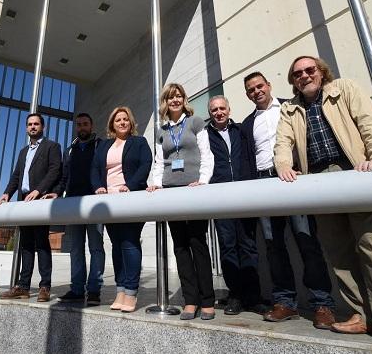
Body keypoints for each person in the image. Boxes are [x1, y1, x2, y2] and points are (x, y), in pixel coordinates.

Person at [274, 56, 372, 349]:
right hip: (319, 183)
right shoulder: (290, 108)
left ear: (321, 72)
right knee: (338, 253)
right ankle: (360, 314)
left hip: (354, 173)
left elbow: (370, 122)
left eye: (310, 70)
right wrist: (284, 165)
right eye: (297, 73)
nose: (304, 76)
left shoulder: (344, 89)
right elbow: (283, 142)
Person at [241, 72, 335, 329]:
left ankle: (322, 304)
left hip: (293, 181)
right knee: (273, 247)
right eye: (251, 90)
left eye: (260, 86)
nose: (256, 91)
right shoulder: (248, 124)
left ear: (269, 85)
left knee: (307, 242)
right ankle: (285, 302)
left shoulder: (291, 107)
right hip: (263, 184)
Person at [148, 83, 215, 320]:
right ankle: (190, 300)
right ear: (165, 102)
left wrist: (203, 181)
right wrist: (156, 183)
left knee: (198, 243)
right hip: (170, 192)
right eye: (170, 97)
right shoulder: (161, 130)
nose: (175, 100)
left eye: (178, 96)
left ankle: (207, 300)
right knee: (180, 246)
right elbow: (159, 161)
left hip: (193, 189)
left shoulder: (196, 123)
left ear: (184, 100)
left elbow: (206, 154)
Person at [206, 95, 266, 315]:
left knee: (248, 246)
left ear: (229, 110)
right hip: (220, 199)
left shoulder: (241, 131)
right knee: (228, 247)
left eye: (222, 108)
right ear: (210, 113)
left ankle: (253, 296)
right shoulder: (205, 136)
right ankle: (236, 296)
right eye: (214, 110)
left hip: (244, 196)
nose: (219, 112)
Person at [91, 106, 151, 313]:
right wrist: (98, 186)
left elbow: (145, 165)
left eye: (126, 119)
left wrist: (131, 185)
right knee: (116, 245)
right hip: (109, 201)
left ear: (130, 122)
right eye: (118, 120)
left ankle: (131, 291)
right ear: (112, 124)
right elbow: (95, 168)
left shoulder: (139, 142)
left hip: (130, 198)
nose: (122, 122)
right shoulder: (104, 145)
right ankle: (120, 290)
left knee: (129, 243)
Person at [0, 113, 62, 303]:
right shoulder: (23, 151)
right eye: (30, 124)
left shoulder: (52, 147)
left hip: (40, 200)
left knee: (41, 242)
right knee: (25, 244)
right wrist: (7, 193)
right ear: (26, 128)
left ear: (43, 127)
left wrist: (39, 190)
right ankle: (23, 286)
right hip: (23, 200)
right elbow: (17, 175)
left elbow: (54, 170)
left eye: (36, 124)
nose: (33, 127)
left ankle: (44, 287)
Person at [43, 113, 105, 306]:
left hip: (94, 203)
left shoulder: (100, 145)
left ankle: (94, 289)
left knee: (96, 247)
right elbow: (63, 177)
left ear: (91, 125)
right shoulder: (69, 150)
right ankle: (77, 289)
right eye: (79, 125)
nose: (82, 127)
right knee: (76, 249)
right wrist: (57, 193)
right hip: (73, 204)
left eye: (85, 124)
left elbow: (105, 170)